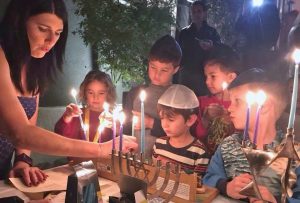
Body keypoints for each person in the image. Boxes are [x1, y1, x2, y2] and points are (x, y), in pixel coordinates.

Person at [0, 0, 137, 185]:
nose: (51, 41)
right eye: (42, 29)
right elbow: (20, 133)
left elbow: (26, 132)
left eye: (58, 33)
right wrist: (100, 150)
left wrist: (22, 161)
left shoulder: (34, 68)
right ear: (18, 22)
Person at [203, 68, 300, 202]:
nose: (229, 108)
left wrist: (275, 199)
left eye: (238, 101)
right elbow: (208, 179)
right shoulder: (228, 145)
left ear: (264, 105)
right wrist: (226, 186)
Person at [123, 34, 181, 158]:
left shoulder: (179, 97)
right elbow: (125, 127)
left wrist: (151, 123)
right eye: (153, 67)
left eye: (164, 70)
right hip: (133, 160)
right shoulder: (135, 93)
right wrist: (114, 124)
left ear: (175, 69)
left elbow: (182, 133)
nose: (156, 74)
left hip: (163, 164)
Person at [152, 84, 209, 176]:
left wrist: (175, 170)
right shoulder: (159, 144)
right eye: (162, 118)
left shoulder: (199, 152)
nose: (164, 124)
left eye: (171, 120)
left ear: (190, 120)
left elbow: (198, 185)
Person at [192, 44, 239, 155]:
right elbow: (197, 136)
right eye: (206, 76)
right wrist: (205, 119)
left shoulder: (239, 106)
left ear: (231, 77)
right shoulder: (201, 102)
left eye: (213, 76)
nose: (207, 82)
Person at [55, 70, 116, 145]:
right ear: (84, 93)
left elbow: (121, 143)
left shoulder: (111, 118)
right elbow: (59, 135)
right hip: (78, 156)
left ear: (108, 94)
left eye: (101, 93)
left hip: (104, 157)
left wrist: (116, 126)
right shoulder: (77, 114)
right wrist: (67, 117)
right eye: (90, 92)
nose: (95, 97)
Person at [176, 0, 221, 96]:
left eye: (199, 11)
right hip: (186, 74)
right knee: (185, 102)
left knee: (203, 102)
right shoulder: (184, 32)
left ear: (204, 13)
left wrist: (211, 46)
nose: (196, 14)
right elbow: (177, 52)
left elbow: (220, 51)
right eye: (194, 12)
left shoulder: (212, 32)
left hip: (204, 75)